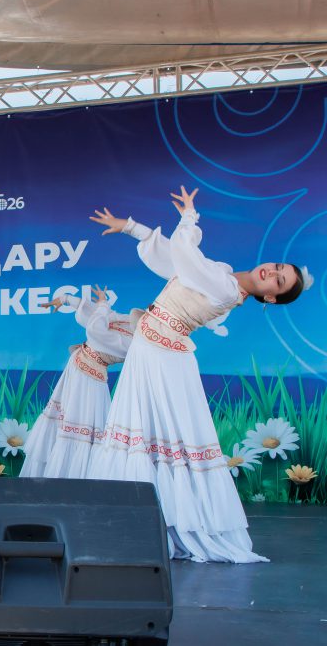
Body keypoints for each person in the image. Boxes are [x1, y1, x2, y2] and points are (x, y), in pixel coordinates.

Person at [86, 187, 308, 563]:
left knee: (152, 430)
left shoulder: (223, 286)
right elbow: (176, 261)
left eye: (278, 281)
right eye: (277, 267)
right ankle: (146, 521)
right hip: (154, 346)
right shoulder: (223, 276)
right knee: (146, 429)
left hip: (162, 353)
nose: (272, 272)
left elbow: (185, 254)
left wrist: (190, 217)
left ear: (271, 297)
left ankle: (169, 524)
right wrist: (131, 228)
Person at [21, 286, 142, 479]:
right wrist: (67, 299)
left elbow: (96, 328)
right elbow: (100, 315)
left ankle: (73, 476)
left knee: (81, 423)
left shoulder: (134, 343)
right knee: (66, 416)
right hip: (79, 367)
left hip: (90, 377)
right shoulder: (128, 322)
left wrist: (103, 304)